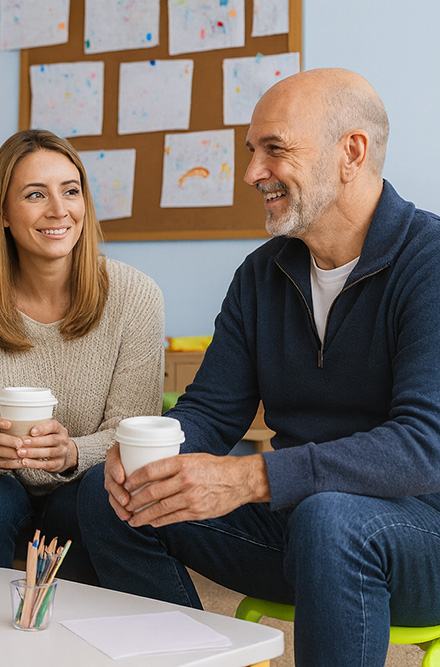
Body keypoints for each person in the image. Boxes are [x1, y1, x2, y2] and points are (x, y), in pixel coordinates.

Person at [77, 68, 440, 666]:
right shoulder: (260, 275)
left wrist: (249, 479)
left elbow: (424, 446)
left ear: (352, 152)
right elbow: (211, 410)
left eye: (275, 149)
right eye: (252, 152)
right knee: (110, 497)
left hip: (416, 536)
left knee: (332, 520)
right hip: (300, 530)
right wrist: (149, 454)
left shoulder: (428, 261)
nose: (252, 173)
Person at [0, 129, 165, 583]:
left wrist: (69, 453)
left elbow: (131, 433)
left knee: (84, 505)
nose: (59, 210)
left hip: (86, 484)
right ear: (3, 213)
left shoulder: (135, 295)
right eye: (35, 194)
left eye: (70, 191)